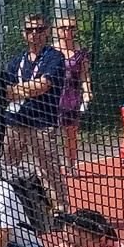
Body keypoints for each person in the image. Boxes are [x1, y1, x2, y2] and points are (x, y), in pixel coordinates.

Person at [2, 12, 71, 210]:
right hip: (15, 121)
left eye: (40, 30)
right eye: (30, 30)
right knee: (7, 167)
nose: (35, 34)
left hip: (42, 123)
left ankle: (60, 210)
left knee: (48, 169)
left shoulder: (54, 57)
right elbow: (5, 90)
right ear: (24, 34)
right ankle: (11, 207)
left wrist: (18, 90)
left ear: (47, 32)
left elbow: (43, 86)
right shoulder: (17, 61)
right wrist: (24, 90)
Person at [54, 13, 91, 171]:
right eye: (64, 28)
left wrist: (87, 90)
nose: (68, 31)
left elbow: (85, 73)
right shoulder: (51, 51)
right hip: (53, 96)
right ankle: (51, 166)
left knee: (71, 132)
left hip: (72, 96)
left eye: (71, 28)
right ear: (57, 30)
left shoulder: (80, 52)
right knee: (49, 133)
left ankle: (71, 165)